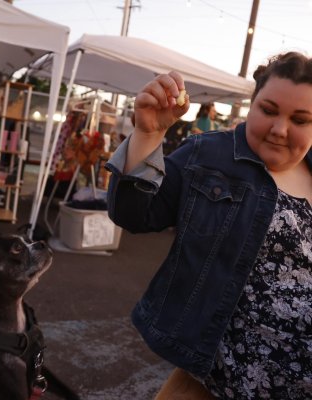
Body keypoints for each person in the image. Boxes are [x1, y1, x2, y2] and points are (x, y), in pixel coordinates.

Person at [105, 51, 312, 399]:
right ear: (251, 104)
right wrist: (147, 134)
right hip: (233, 377)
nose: (280, 129)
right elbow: (134, 215)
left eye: (301, 119)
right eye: (268, 110)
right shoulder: (208, 154)